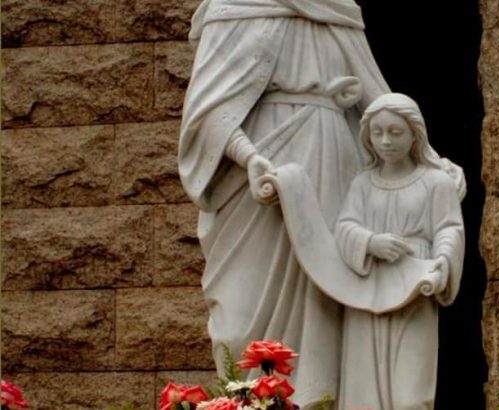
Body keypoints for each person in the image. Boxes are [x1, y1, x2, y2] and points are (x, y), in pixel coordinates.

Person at [178, 0, 465, 406]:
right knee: (240, 309)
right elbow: (208, 111)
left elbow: (377, 95)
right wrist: (249, 157)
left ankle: (319, 401)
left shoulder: (335, 7)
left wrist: (431, 161)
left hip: (329, 160)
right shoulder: (233, 7)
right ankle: (248, 399)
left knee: (325, 297)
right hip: (257, 169)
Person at [334, 93, 465, 410]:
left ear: (414, 134)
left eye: (395, 132)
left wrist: (442, 262)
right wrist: (370, 242)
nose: (385, 141)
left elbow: (449, 228)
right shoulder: (363, 183)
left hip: (414, 282)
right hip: (368, 287)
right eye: (377, 132)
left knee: (411, 392)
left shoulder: (436, 182)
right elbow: (344, 227)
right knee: (363, 385)